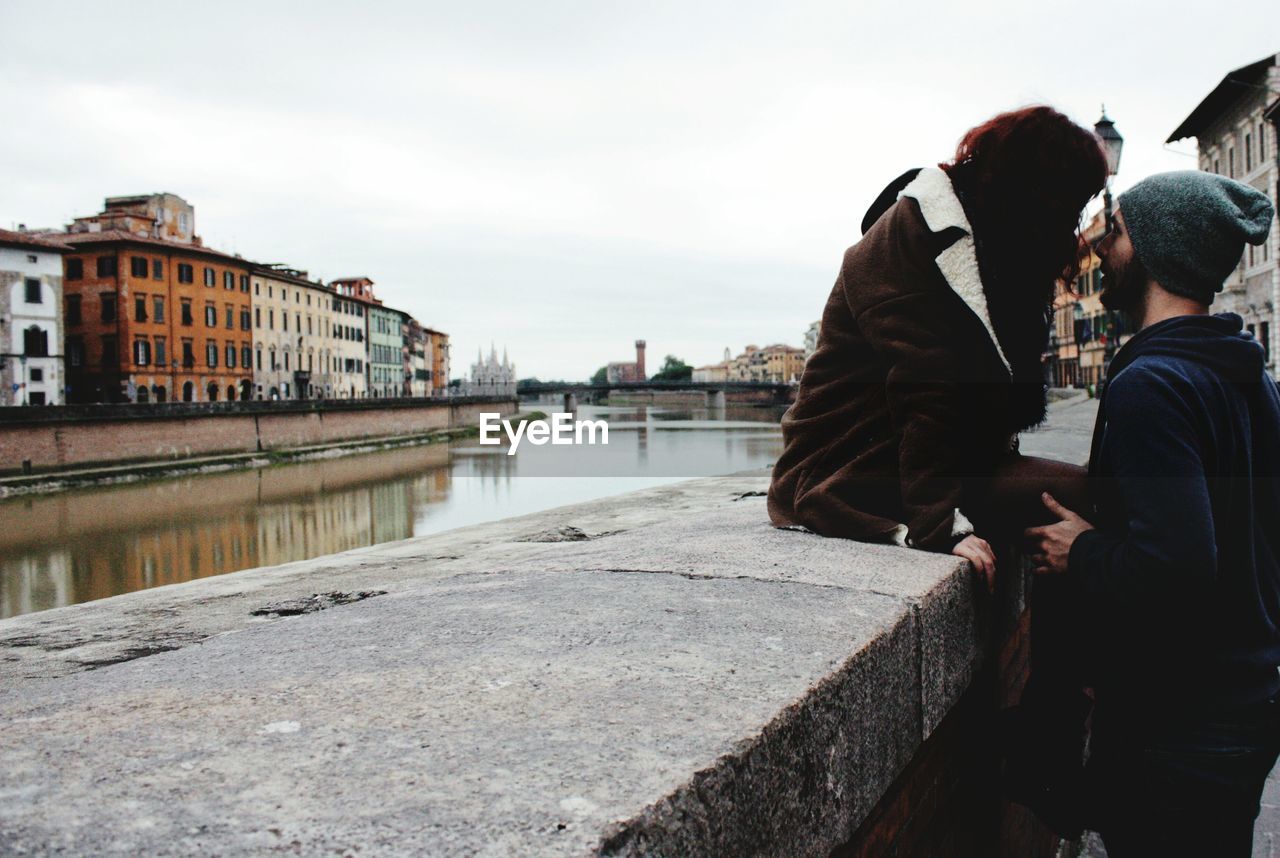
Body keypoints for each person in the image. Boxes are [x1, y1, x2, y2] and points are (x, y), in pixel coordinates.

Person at [1025, 170, 1279, 855]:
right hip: (1243, 706)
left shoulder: (1152, 385)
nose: (1106, 249)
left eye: (1120, 232)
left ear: (1158, 251)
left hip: (1181, 727)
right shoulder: (1249, 376)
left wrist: (1081, 551)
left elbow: (1178, 566)